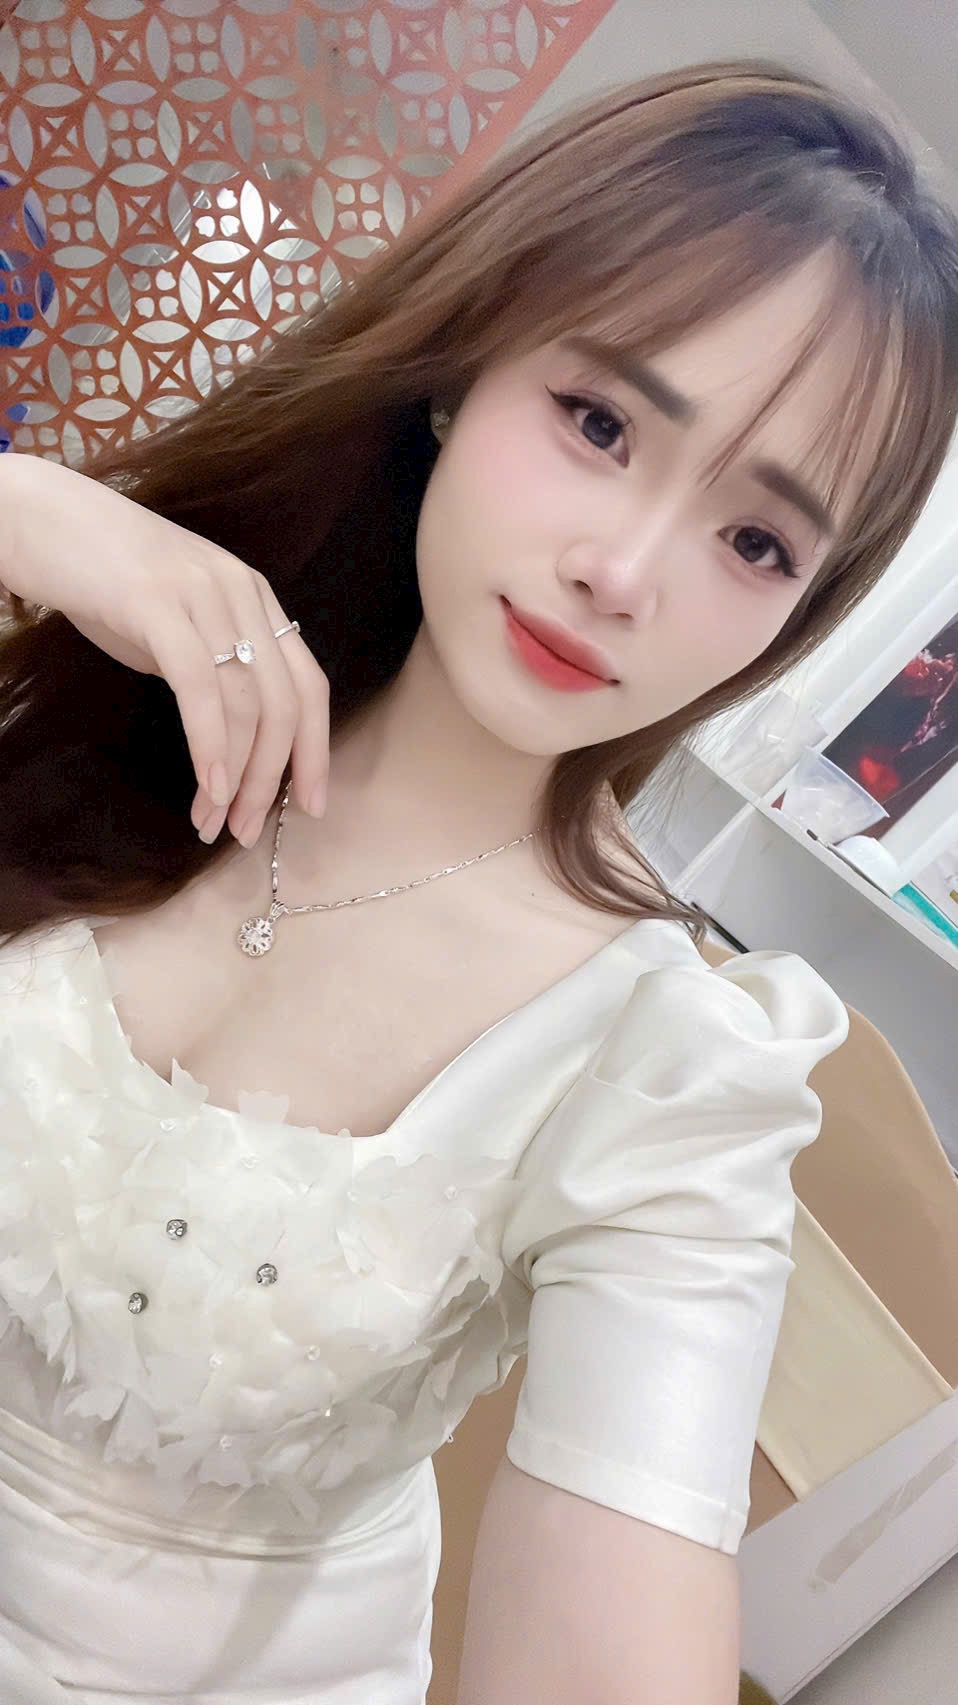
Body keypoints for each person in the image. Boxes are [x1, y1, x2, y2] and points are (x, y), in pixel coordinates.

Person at [0, 55, 955, 1705]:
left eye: (754, 543)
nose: (622, 571)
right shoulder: (121, 677)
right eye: (599, 422)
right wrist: (29, 510)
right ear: (464, 369)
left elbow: (608, 1636)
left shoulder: (670, 1070)